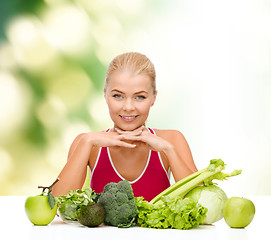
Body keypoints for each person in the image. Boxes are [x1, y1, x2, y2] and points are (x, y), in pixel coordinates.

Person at [52, 52, 197, 201]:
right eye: (118, 96)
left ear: (153, 98)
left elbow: (201, 202)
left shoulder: (172, 140)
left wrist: (168, 150)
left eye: (140, 97)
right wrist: (87, 141)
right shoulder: (87, 143)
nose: (128, 107)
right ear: (105, 95)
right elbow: (58, 203)